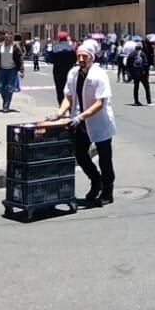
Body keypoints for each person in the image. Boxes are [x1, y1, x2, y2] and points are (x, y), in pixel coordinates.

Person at [38, 41, 115, 206]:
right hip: (80, 124)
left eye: (84, 56)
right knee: (80, 154)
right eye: (78, 55)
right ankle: (96, 180)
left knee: (105, 159)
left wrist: (81, 117)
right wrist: (59, 114)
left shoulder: (99, 75)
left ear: (91, 58)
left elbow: (99, 103)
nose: (81, 59)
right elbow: (68, 97)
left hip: (99, 122)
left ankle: (108, 191)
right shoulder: (73, 73)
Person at [47, 31, 78, 105]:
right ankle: (70, 107)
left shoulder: (55, 48)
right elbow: (75, 59)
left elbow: (50, 60)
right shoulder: (71, 48)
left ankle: (61, 106)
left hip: (58, 72)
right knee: (70, 89)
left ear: (58, 38)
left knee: (59, 90)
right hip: (69, 71)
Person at [0, 33, 22, 112]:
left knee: (10, 87)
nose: (8, 40)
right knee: (0, 86)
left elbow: (20, 58)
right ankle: (5, 99)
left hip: (12, 70)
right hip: (1, 69)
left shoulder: (15, 47)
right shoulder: (0, 46)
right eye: (6, 38)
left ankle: (6, 104)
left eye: (10, 38)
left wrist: (21, 70)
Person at [127, 41, 152, 106]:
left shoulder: (131, 54)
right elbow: (146, 64)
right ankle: (149, 101)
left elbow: (128, 64)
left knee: (136, 87)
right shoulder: (143, 54)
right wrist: (147, 73)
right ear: (141, 47)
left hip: (135, 73)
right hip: (142, 73)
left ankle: (136, 101)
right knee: (146, 87)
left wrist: (130, 73)